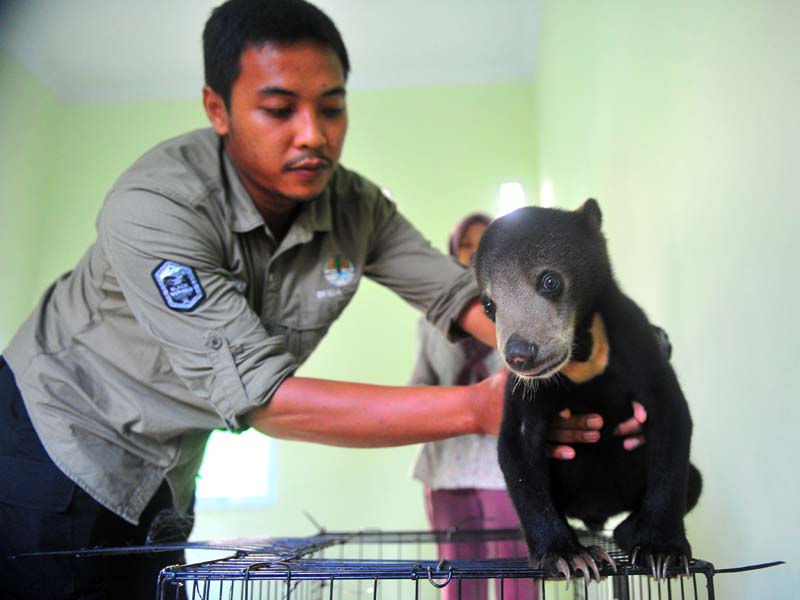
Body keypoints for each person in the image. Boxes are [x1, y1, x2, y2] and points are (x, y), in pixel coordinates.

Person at [0, 1, 636, 598]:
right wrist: (479, 408)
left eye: (331, 108)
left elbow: (454, 294)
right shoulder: (157, 208)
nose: (314, 135)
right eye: (280, 109)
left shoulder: (356, 207)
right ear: (217, 109)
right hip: (55, 440)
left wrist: (575, 354)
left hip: (168, 469)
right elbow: (263, 397)